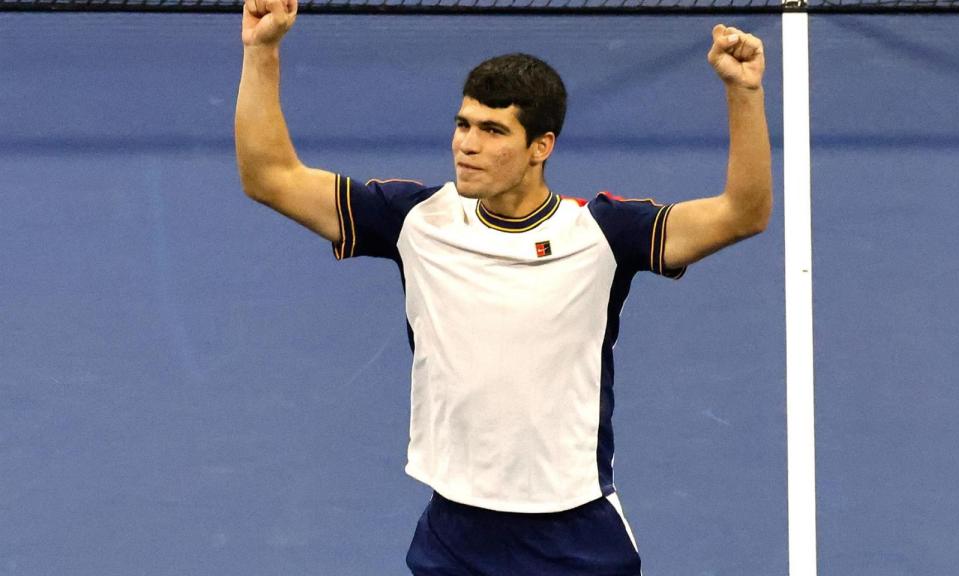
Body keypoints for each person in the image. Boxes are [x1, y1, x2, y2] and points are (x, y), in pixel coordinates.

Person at [235, 0, 771, 573]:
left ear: (540, 146)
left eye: (493, 131)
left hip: (574, 533)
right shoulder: (414, 221)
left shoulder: (602, 235)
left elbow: (743, 213)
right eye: (463, 125)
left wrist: (743, 93)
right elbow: (271, 176)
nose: (467, 144)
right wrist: (261, 49)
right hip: (456, 532)